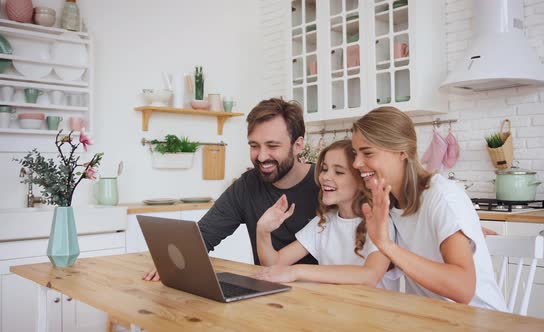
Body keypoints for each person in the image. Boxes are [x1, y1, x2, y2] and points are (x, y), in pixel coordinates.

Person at [144, 98, 319, 281]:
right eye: (254, 146)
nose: (261, 156)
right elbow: (204, 235)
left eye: (272, 146)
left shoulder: (326, 186)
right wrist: (170, 260)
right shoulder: (247, 186)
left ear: (298, 145)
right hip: (271, 292)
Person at [351, 106, 506, 311]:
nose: (356, 163)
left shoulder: (442, 197)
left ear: (402, 152)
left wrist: (387, 245)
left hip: (481, 321)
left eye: (367, 153)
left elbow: (463, 289)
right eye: (355, 153)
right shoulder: (387, 203)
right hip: (433, 318)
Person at [253, 140, 391, 287]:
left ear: (361, 180)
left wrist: (296, 271)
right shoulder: (324, 222)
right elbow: (274, 264)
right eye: (324, 169)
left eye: (339, 172)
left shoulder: (381, 221)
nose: (325, 177)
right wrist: (262, 231)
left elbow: (370, 275)